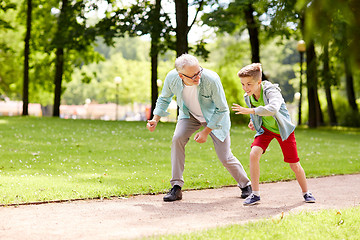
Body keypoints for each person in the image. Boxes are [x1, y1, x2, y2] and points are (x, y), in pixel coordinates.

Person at [146, 54, 251, 202]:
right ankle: (176, 187)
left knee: (225, 157)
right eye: (193, 76)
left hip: (215, 118)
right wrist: (155, 119)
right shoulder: (172, 78)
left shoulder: (211, 79)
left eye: (198, 72)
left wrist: (206, 131)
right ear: (181, 76)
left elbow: (221, 109)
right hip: (190, 115)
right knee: (177, 139)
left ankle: (246, 185)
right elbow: (164, 98)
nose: (197, 77)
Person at [231, 63, 316, 206]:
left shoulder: (271, 91)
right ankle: (255, 194)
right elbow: (258, 112)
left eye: (249, 84)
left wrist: (251, 112)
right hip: (266, 130)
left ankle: (306, 192)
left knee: (294, 165)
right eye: (243, 84)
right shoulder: (249, 95)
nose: (245, 88)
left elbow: (272, 109)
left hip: (283, 130)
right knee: (253, 154)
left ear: (259, 82)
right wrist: (254, 121)